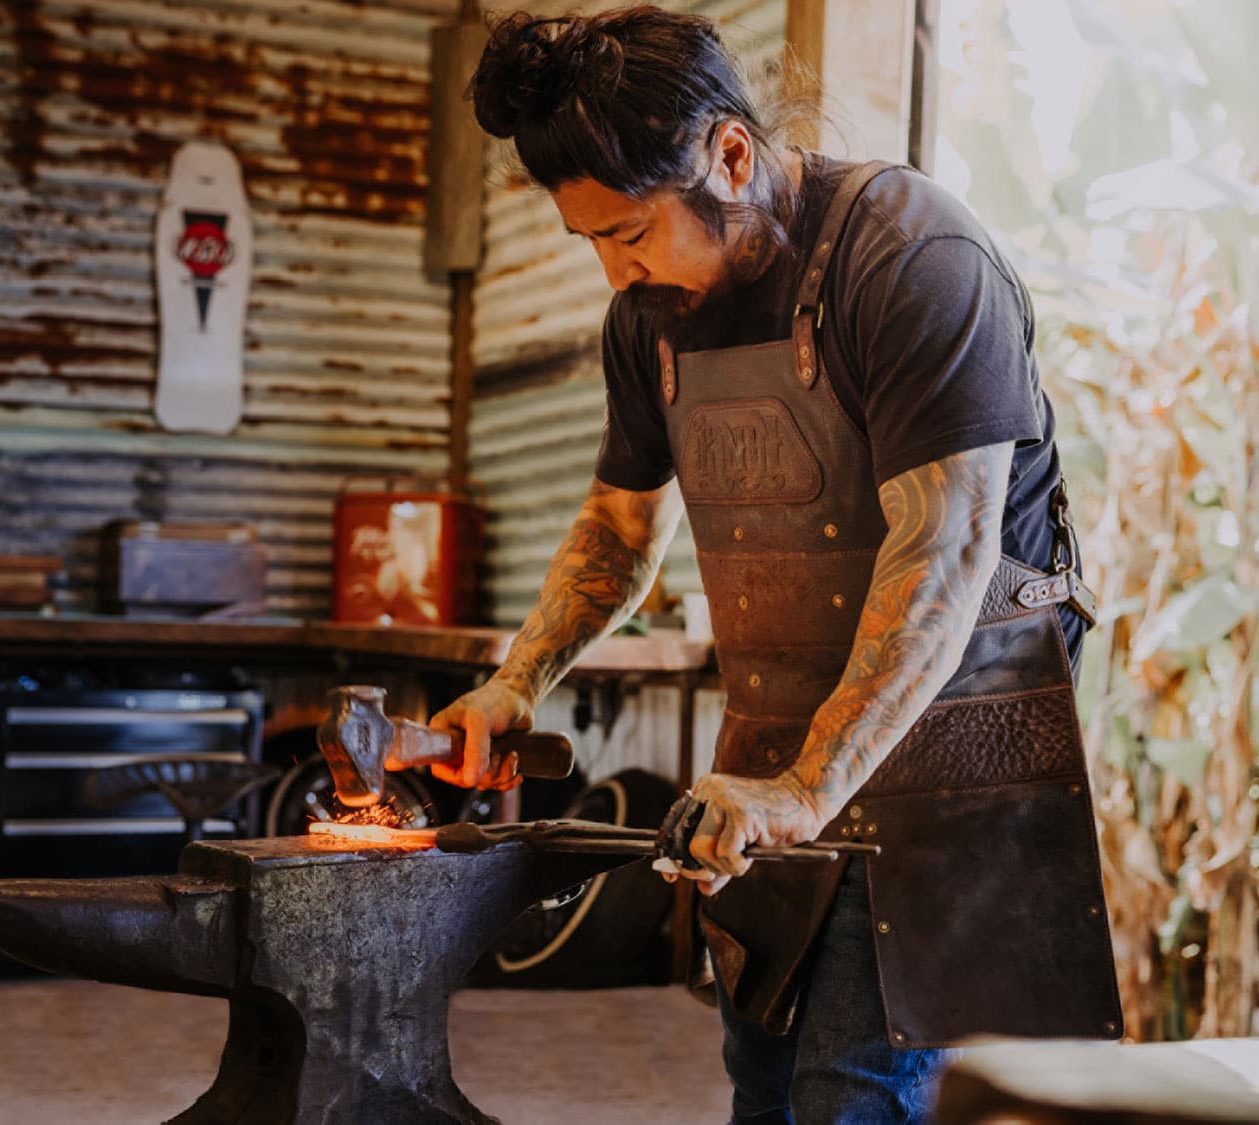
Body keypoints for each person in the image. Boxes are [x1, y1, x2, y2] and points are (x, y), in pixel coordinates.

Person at [430, 7, 1123, 1124]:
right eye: (594, 242)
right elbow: (618, 529)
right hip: (776, 735)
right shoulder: (649, 317)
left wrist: (809, 787)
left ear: (732, 156)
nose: (617, 273)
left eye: (633, 233)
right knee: (762, 1075)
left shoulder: (911, 258)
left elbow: (944, 550)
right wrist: (520, 684)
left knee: (854, 1090)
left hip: (951, 729)